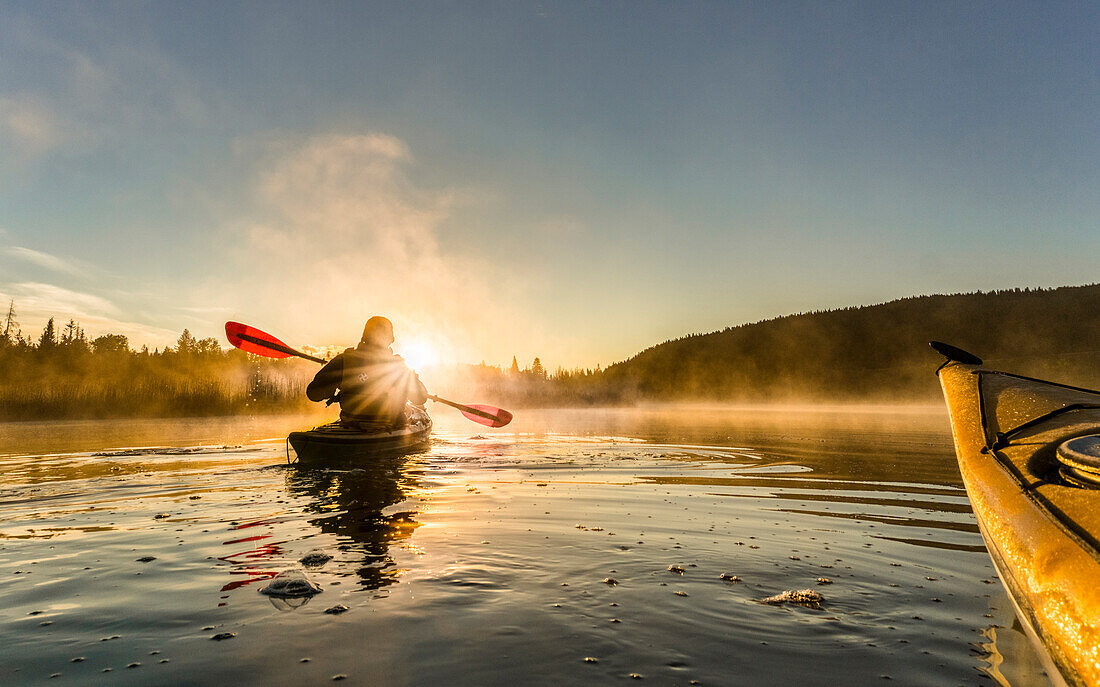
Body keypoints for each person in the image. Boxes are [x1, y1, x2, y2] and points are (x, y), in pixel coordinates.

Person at [306, 316, 428, 428]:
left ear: (364, 336)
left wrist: (331, 385)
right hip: (390, 424)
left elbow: (313, 394)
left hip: (352, 424)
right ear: (391, 339)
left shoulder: (343, 361)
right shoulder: (398, 365)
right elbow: (420, 398)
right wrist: (411, 376)